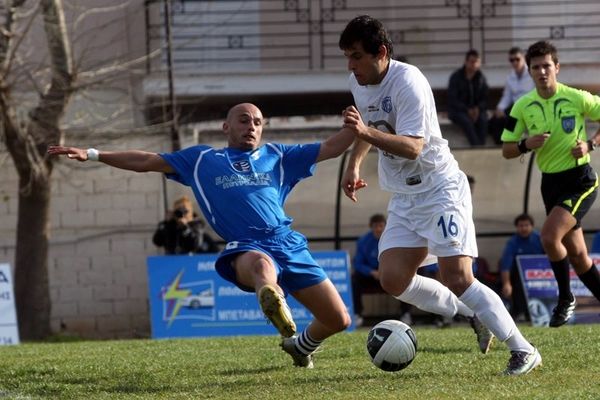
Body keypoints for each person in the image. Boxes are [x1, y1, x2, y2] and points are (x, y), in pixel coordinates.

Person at [48, 102, 357, 369]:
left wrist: (354, 125)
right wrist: (92, 153)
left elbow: (331, 147)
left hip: (288, 242)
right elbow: (145, 161)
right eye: (244, 119)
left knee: (338, 319)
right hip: (247, 246)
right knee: (263, 268)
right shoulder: (201, 160)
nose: (252, 126)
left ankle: (300, 346)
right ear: (226, 126)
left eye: (258, 122)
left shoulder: (278, 155)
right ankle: (274, 301)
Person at [339, 15, 541, 375]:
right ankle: (472, 313)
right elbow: (364, 128)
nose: (351, 66)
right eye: (347, 57)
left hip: (439, 189)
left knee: (458, 276)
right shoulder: (359, 80)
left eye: (356, 56)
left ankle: (523, 350)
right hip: (404, 196)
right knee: (393, 279)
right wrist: (354, 165)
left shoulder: (409, 82)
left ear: (381, 52)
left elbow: (414, 147)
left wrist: (366, 133)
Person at [501, 40, 600, 328]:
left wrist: (591, 145)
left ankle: (565, 298)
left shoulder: (576, 97)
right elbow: (506, 148)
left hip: (580, 180)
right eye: (536, 67)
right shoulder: (522, 106)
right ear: (529, 72)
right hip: (551, 184)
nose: (542, 71)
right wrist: (525, 144)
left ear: (556, 67)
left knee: (548, 238)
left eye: (547, 65)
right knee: (580, 257)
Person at [351, 213, 412, 326]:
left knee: (406, 279)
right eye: (375, 226)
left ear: (386, 226)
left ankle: (405, 314)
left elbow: (400, 259)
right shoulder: (363, 241)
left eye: (381, 226)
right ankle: (357, 315)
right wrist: (371, 272)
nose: (378, 229)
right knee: (355, 279)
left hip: (390, 273)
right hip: (372, 275)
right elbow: (358, 263)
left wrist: (388, 271)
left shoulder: (394, 239)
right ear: (371, 227)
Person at [499, 214, 544, 321]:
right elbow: (506, 264)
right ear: (517, 227)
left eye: (526, 225)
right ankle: (520, 312)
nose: (524, 228)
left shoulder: (540, 239)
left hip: (541, 275)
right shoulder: (512, 242)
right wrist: (506, 284)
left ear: (532, 226)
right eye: (521, 226)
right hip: (520, 278)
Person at [488, 47, 535, 144]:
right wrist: (500, 108)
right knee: (494, 119)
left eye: (517, 59)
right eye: (511, 60)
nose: (514, 62)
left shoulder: (532, 74)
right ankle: (500, 143)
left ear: (523, 58)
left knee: (510, 119)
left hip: (528, 106)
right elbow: (507, 96)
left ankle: (510, 141)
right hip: (515, 106)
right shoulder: (510, 77)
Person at [447, 49, 489, 146]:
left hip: (475, 111)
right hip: (458, 111)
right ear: (466, 62)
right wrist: (467, 110)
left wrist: (478, 109)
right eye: (472, 61)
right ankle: (477, 147)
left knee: (483, 120)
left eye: (477, 62)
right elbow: (453, 99)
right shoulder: (456, 77)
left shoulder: (481, 78)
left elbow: (484, 98)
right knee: (467, 122)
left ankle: (481, 147)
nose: (474, 64)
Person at [152, 195, 220, 254]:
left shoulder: (197, 225)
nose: (182, 214)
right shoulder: (169, 225)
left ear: (191, 212)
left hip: (191, 262)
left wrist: (185, 228)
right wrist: (166, 223)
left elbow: (194, 244)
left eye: (185, 211)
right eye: (178, 211)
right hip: (171, 262)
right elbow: (157, 241)